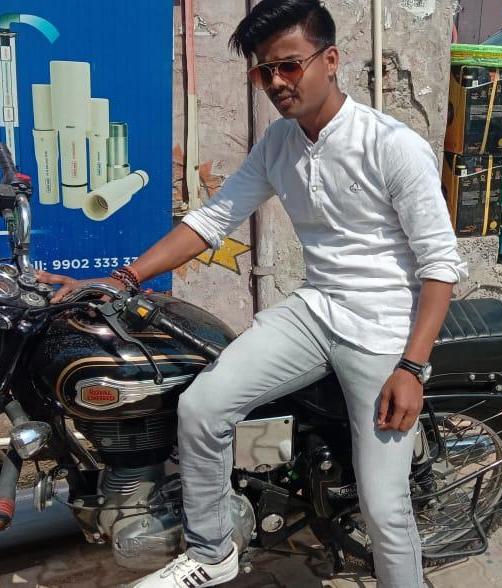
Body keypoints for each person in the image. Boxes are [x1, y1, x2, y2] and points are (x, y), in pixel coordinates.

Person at [40, 1, 467, 586]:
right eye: (265, 71)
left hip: (383, 329)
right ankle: (213, 552)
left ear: (331, 60)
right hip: (316, 309)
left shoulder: (392, 145)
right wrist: (123, 279)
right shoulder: (279, 143)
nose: (277, 82)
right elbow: (212, 220)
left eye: (289, 65)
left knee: (384, 506)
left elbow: (440, 264)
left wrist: (412, 367)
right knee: (202, 406)